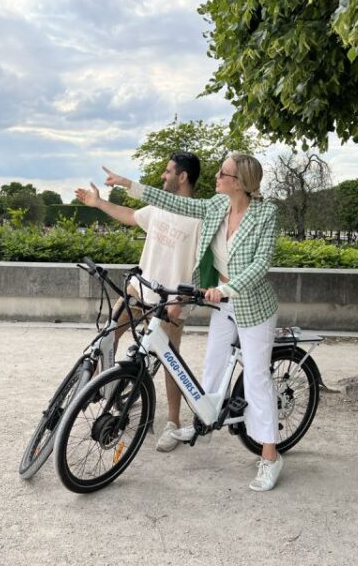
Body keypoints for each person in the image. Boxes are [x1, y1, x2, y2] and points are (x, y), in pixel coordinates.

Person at [102, 153, 283, 492]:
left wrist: (224, 288)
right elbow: (170, 201)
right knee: (211, 372)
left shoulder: (265, 214)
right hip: (221, 303)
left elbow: (261, 266)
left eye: (223, 173)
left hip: (252, 306)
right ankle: (205, 423)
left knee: (257, 379)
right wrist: (129, 184)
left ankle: (270, 457)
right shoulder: (216, 206)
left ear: (240, 182)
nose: (216, 176)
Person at [74, 152, 203, 453]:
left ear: (183, 177)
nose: (163, 176)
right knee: (107, 335)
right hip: (139, 289)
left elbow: (202, 264)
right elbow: (131, 217)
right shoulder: (160, 206)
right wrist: (98, 203)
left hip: (171, 299)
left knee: (172, 361)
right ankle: (95, 391)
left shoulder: (199, 215)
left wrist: (181, 298)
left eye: (168, 171)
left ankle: (172, 423)